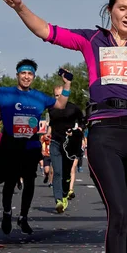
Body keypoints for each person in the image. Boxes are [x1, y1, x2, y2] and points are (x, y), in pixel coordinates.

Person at [1, 0, 127, 253]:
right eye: (122, 8)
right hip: (104, 132)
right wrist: (20, 7)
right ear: (110, 10)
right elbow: (47, 31)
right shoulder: (91, 39)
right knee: (119, 210)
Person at [0, 59, 71, 235]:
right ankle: (7, 213)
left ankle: (23, 217)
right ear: (17, 75)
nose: (26, 76)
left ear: (33, 76)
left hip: (30, 144)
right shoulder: (5, 93)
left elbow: (61, 104)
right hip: (11, 144)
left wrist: (67, 84)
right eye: (23, 73)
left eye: (30, 74)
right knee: (9, 182)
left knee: (30, 182)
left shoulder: (39, 97)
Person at [48, 85, 85, 213]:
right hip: (55, 143)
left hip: (69, 144)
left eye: (61, 95)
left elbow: (82, 120)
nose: (59, 98)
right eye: (56, 96)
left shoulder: (73, 108)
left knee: (66, 173)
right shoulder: (52, 108)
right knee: (57, 172)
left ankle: (64, 195)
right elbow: (52, 124)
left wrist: (79, 129)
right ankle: (58, 200)